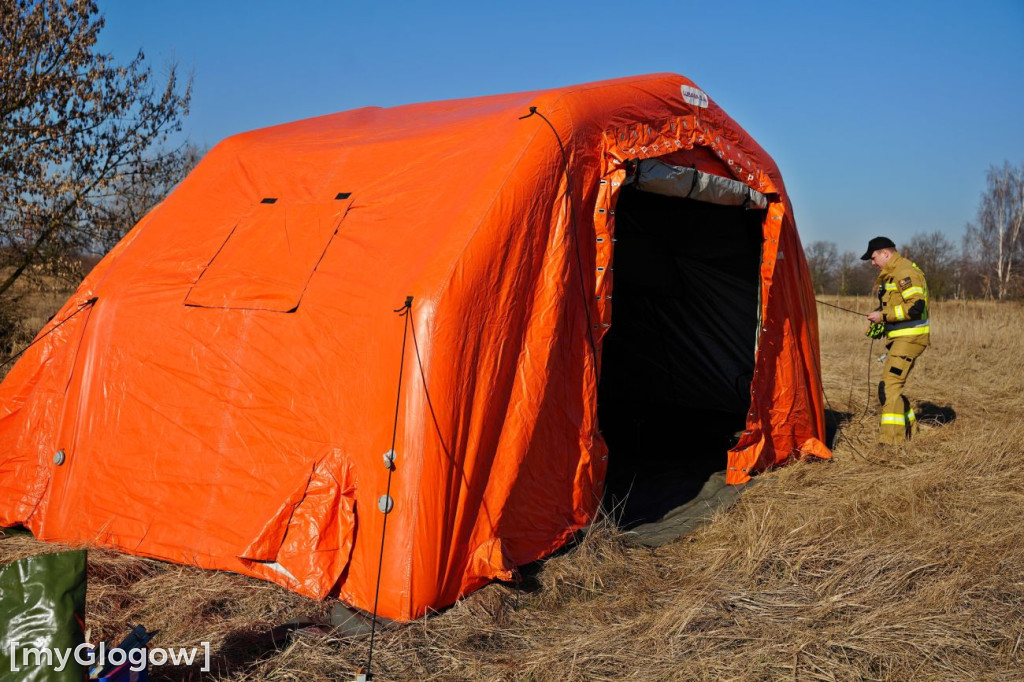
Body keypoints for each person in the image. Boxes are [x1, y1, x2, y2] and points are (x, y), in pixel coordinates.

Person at [861, 236, 930, 446]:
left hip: (910, 338)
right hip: (901, 338)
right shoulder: (892, 274)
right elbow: (896, 306)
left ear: (885, 253)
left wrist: (883, 316)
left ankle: (891, 443)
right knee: (890, 387)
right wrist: (880, 318)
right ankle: (911, 430)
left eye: (873, 258)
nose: (872, 263)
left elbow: (915, 307)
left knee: (890, 387)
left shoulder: (904, 272)